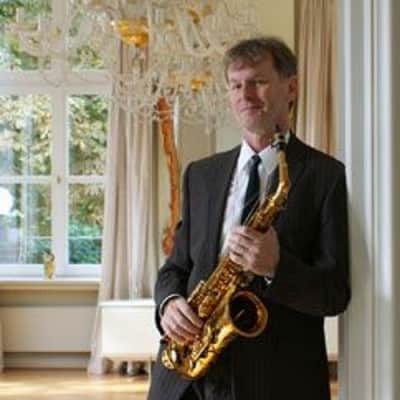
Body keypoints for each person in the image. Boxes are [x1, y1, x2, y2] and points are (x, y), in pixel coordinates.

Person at [148, 36, 350, 400]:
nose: (246, 95)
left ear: (291, 88)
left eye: (258, 81)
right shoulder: (201, 175)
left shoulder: (327, 176)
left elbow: (335, 294)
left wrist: (276, 267)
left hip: (275, 382)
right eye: (236, 85)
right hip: (185, 379)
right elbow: (175, 267)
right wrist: (170, 304)